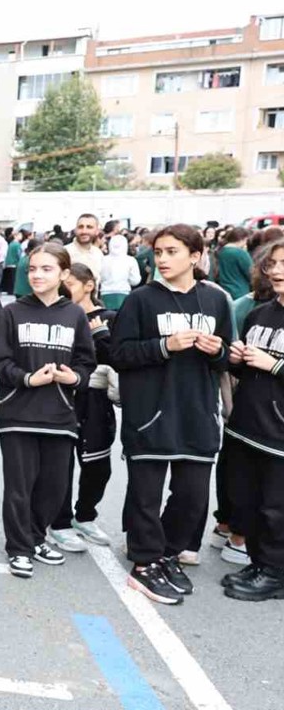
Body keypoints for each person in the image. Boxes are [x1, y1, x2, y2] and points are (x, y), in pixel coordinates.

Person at [113, 224, 233, 605]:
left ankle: (167, 553)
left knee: (192, 496)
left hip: (198, 414)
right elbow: (118, 354)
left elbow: (228, 356)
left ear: (195, 256)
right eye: (158, 252)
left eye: (171, 252)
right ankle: (145, 562)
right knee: (145, 496)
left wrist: (217, 351)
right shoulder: (140, 300)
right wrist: (164, 346)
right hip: (150, 413)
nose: (162, 259)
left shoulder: (215, 300)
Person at [0, 243, 97, 578]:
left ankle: (36, 537)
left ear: (64, 274)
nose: (37, 275)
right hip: (18, 414)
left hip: (60, 416)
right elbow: (0, 362)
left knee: (53, 487)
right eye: (33, 269)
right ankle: (19, 548)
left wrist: (74, 377)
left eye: (46, 269)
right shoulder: (12, 312)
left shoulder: (75, 314)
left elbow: (86, 361)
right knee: (19, 487)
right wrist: (27, 379)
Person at [223, 237, 284, 601]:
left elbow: (271, 365)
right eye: (272, 264)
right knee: (249, 502)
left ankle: (275, 572)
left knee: (277, 509)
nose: (276, 271)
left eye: (283, 263)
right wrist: (238, 358)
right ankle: (260, 563)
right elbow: (248, 370)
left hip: (279, 434)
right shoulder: (259, 313)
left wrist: (274, 364)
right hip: (247, 426)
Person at [47, 264, 119, 552]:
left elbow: (119, 358)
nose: (64, 291)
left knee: (98, 464)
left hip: (97, 400)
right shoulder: (59, 316)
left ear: (89, 285)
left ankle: (85, 515)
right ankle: (60, 522)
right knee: (60, 464)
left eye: (70, 285)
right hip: (64, 398)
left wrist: (100, 333)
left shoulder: (109, 318)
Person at [99, 234, 142, 310]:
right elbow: (135, 280)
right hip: (124, 292)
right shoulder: (130, 260)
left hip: (105, 293)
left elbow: (98, 278)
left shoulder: (102, 259)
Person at [216, 227, 253, 300]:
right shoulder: (240, 253)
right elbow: (251, 273)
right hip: (240, 291)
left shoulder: (220, 251)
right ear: (243, 239)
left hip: (224, 290)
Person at [68, 214, 105, 281]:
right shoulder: (66, 252)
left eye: (89, 227)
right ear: (75, 230)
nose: (84, 231)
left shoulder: (98, 253)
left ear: (97, 231)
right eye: (80, 227)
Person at [2, 229, 25, 294]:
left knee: (9, 279)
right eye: (20, 235)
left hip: (9, 263)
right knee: (14, 279)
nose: (21, 236)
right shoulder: (17, 245)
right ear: (15, 236)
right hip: (15, 263)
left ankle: (9, 291)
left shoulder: (11, 244)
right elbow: (19, 255)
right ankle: (12, 291)